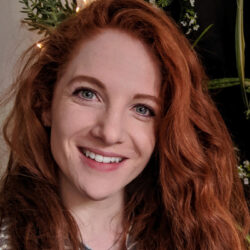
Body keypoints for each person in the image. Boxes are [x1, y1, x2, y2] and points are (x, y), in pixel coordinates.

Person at [0, 0, 249, 249]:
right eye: (87, 94)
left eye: (142, 109)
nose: (109, 132)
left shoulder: (198, 238)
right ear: (45, 103)